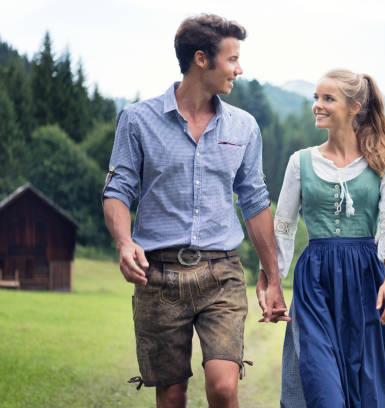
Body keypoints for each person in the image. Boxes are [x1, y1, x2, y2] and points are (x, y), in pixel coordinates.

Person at [102, 14, 288, 408]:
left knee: (223, 386)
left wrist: (273, 277)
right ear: (201, 59)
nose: (239, 68)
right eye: (232, 59)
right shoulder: (137, 120)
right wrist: (123, 242)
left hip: (221, 273)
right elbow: (118, 190)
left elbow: (254, 201)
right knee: (171, 397)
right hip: (158, 276)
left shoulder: (244, 126)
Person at [259, 69, 385, 407]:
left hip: (366, 283)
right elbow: (282, 229)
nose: (317, 105)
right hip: (315, 282)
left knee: (367, 390)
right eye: (316, 97)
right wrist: (270, 283)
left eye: (327, 98)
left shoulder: (383, 164)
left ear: (354, 106)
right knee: (322, 388)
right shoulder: (300, 162)